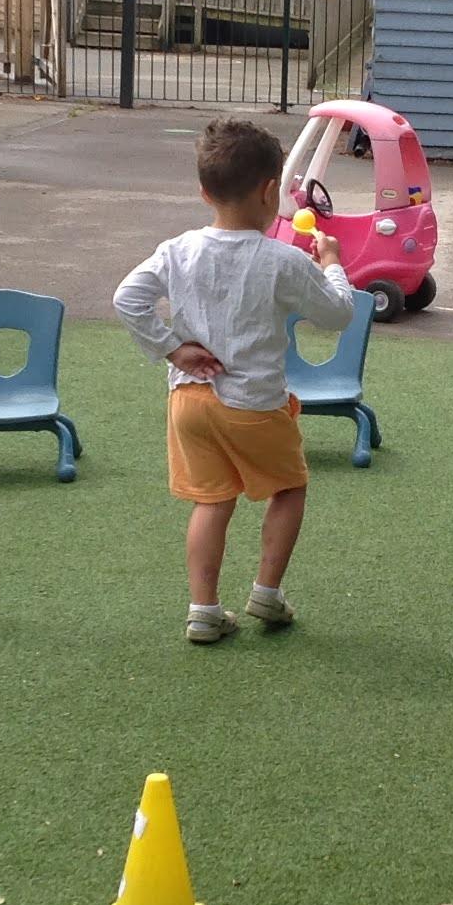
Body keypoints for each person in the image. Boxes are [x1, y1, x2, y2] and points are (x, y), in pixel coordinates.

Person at [114, 116, 356, 643]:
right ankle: (266, 592)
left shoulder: (177, 249)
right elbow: (339, 313)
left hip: (189, 401)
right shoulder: (282, 260)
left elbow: (127, 299)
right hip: (253, 403)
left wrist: (172, 348)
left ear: (205, 192)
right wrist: (332, 264)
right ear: (271, 192)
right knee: (289, 488)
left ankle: (203, 610)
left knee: (212, 500)